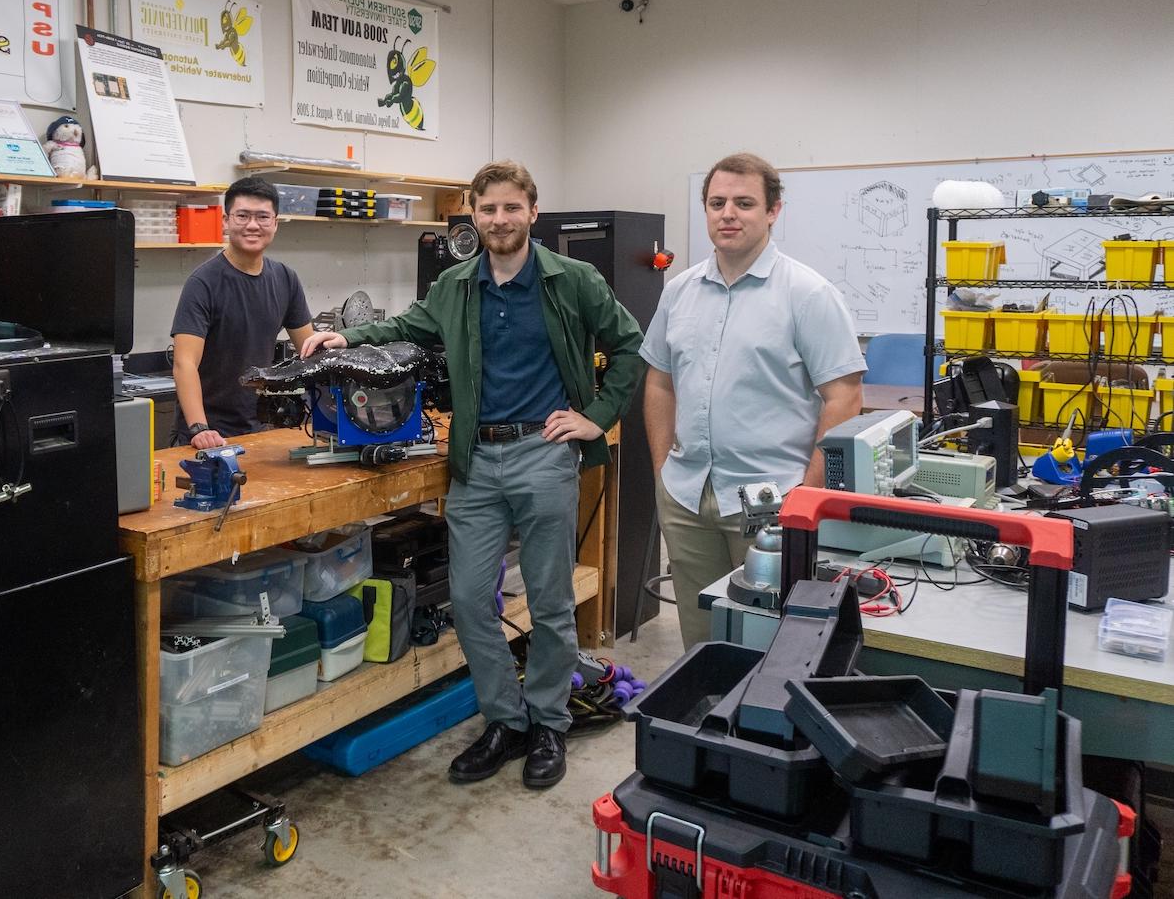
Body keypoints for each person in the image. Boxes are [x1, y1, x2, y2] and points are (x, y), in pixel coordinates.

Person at [301, 161, 644, 789]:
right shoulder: (457, 285)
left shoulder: (573, 280)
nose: (499, 220)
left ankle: (547, 722)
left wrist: (596, 416)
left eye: (512, 208)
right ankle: (504, 722)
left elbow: (630, 345)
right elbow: (404, 328)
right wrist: (341, 338)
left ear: (532, 213)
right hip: (476, 460)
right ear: (474, 215)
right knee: (468, 600)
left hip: (543, 450)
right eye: (488, 210)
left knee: (549, 601)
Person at [641, 152, 864, 648]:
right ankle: (706, 723)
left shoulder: (808, 294)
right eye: (717, 202)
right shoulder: (678, 293)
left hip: (773, 501)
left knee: (773, 642)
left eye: (744, 203)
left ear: (772, 211)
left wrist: (806, 497)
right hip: (686, 495)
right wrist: (663, 472)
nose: (728, 213)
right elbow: (659, 382)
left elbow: (844, 398)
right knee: (703, 642)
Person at [171, 177, 314, 449]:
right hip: (209, 435)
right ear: (225, 221)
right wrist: (200, 429)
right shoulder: (203, 283)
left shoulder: (285, 279)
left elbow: (310, 352)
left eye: (262, 217)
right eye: (242, 216)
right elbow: (184, 364)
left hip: (260, 427)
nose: (252, 225)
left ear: (275, 223)